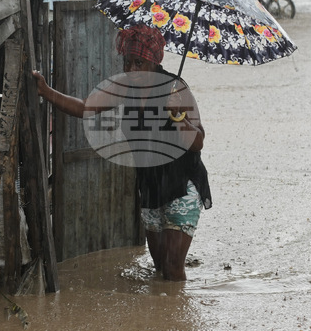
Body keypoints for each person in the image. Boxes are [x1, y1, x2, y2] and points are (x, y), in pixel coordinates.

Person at [32, 26, 212, 281]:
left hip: (182, 184)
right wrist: (46, 91)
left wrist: (179, 117)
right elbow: (85, 108)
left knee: (172, 268)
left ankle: (177, 316)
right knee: (159, 266)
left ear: (154, 61)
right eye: (127, 62)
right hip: (151, 184)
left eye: (139, 62)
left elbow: (199, 142)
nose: (132, 70)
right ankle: (162, 317)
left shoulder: (176, 89)